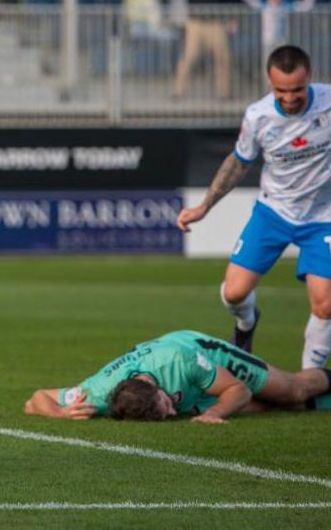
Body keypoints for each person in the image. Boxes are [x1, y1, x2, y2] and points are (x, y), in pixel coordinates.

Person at [178, 45, 331, 371]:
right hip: (273, 212)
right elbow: (238, 164)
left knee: (325, 303)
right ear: (269, 81)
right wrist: (204, 206)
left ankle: (306, 383)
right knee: (233, 293)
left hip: (324, 217)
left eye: (297, 90)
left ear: (310, 79)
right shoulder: (258, 116)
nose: (289, 98)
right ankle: (246, 324)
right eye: (281, 90)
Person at [25, 329, 331, 422]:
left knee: (291, 391)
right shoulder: (99, 393)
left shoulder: (181, 361)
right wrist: (61, 412)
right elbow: (36, 399)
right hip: (182, 374)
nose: (173, 412)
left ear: (156, 388)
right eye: (166, 414)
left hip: (202, 353)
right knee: (268, 409)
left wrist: (213, 413)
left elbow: (238, 390)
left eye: (167, 404)